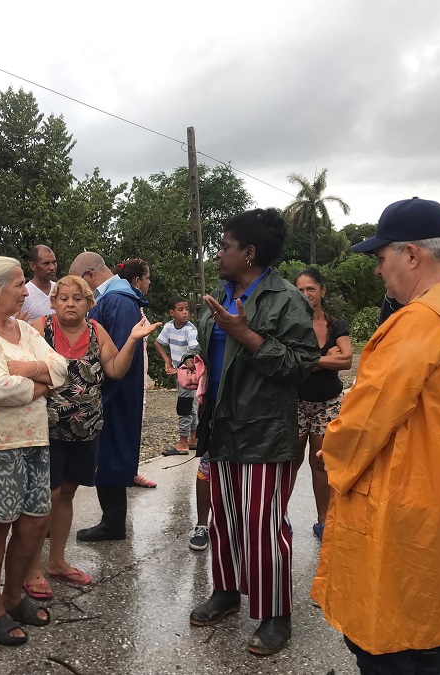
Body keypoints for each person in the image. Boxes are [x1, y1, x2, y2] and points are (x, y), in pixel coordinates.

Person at [311, 197, 440, 674]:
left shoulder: (417, 326)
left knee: (386, 640)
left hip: (397, 508)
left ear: (412, 255)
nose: (379, 272)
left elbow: (364, 422)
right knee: (424, 635)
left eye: (381, 259)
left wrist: (328, 451)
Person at [188, 208, 320, 657]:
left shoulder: (286, 299)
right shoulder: (220, 297)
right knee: (224, 518)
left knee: (262, 525)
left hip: (264, 431)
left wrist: (247, 336)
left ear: (249, 253)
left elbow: (302, 364)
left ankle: (275, 614)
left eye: (225, 246)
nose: (218, 253)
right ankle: (226, 592)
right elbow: (215, 360)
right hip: (220, 427)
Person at [23, 275, 161, 599]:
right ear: (54, 302)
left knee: (67, 493)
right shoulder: (39, 328)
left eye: (77, 298)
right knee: (47, 498)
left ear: (89, 303)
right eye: (63, 298)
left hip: (86, 431)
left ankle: (56, 561)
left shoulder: (96, 331)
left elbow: (114, 369)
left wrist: (131, 341)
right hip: (46, 431)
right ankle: (30, 569)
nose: (70, 303)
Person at [0, 256, 68, 646]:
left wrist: (20, 368)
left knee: (35, 521)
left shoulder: (23, 329)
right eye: (19, 284)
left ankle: (12, 596)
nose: (26, 291)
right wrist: (39, 380)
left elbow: (62, 369)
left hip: (34, 439)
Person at [68, 253, 148, 540]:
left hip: (114, 392)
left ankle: (113, 524)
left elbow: (116, 354)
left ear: (90, 275)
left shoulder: (117, 300)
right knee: (108, 454)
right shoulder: (114, 298)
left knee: (112, 454)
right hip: (111, 392)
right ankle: (111, 521)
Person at [291, 268, 352, 542]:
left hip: (328, 403)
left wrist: (308, 362)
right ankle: (280, 516)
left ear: (322, 291)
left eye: (311, 289)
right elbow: (288, 365)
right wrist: (325, 358)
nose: (306, 295)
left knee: (321, 462)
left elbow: (347, 360)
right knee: (291, 461)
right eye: (300, 290)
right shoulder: (290, 325)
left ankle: (323, 521)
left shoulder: (336, 324)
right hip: (295, 401)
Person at [117, 258, 158, 489]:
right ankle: (128, 470)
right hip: (129, 371)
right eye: (147, 278)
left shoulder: (136, 304)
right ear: (137, 280)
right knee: (129, 421)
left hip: (138, 371)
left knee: (136, 421)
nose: (149, 282)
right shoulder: (128, 305)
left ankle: (132, 469)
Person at [154, 295, 200, 456]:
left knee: (184, 406)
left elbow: (193, 354)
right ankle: (194, 438)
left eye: (187, 309)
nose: (185, 313)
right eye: (181, 310)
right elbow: (157, 342)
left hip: (187, 374)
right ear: (172, 312)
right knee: (190, 405)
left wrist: (180, 368)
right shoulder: (168, 327)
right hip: (178, 373)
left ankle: (182, 442)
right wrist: (167, 360)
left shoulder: (190, 329)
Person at [22, 244, 58, 322]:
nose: (52, 267)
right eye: (46, 263)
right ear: (32, 266)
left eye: (54, 262)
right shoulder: (24, 294)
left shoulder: (60, 289)